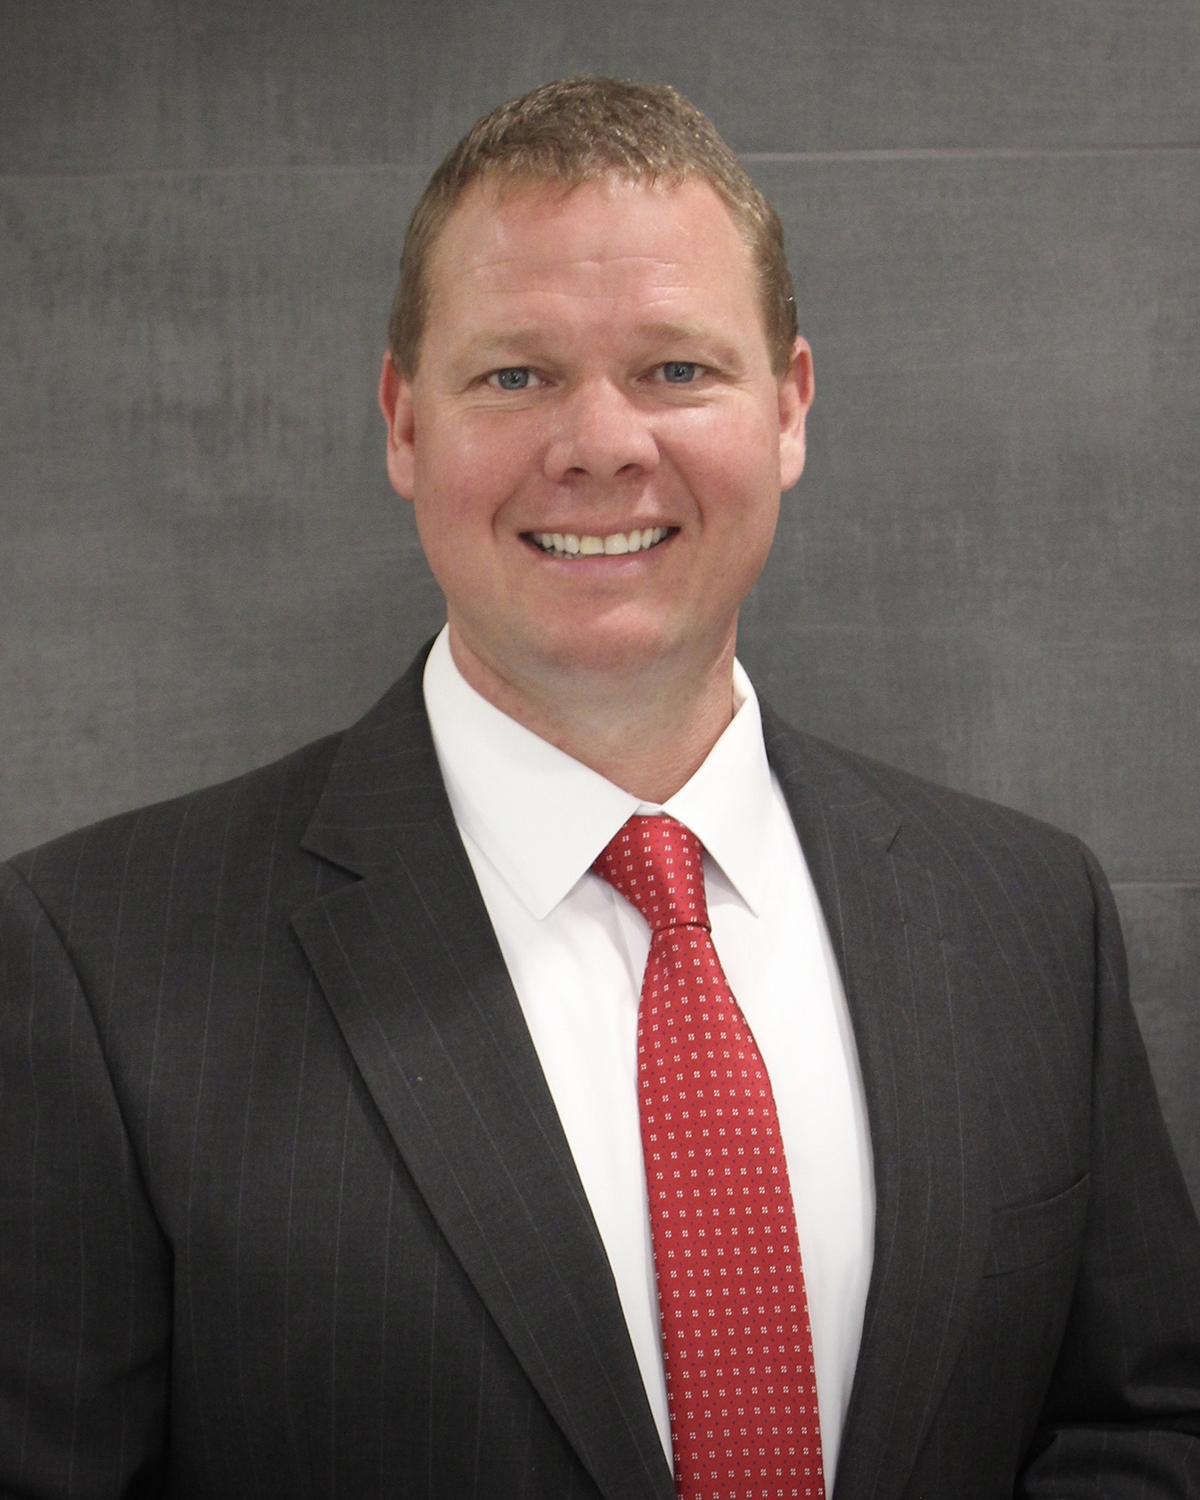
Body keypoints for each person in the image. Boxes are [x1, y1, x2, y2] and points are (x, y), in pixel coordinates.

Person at [2, 77, 1198, 1500]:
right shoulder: (97, 962)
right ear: (402, 422)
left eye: (677, 370)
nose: (602, 443)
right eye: (514, 376)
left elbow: (1144, 1426)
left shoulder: (1027, 916)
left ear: (789, 408)